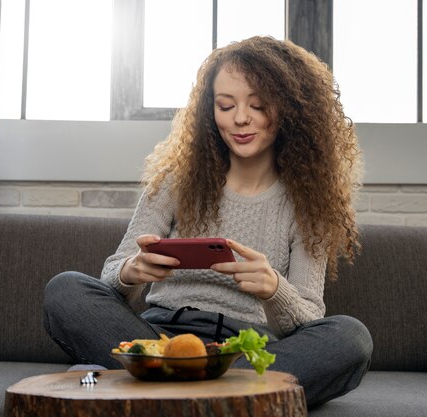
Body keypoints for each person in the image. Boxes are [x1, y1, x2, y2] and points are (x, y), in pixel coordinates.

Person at [43, 36, 372, 408]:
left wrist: (273, 288)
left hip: (241, 352)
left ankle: (163, 394)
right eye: (225, 105)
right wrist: (131, 272)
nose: (240, 118)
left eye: (258, 105)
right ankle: (223, 401)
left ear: (290, 110)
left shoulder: (306, 205)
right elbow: (110, 277)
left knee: (352, 338)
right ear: (209, 112)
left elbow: (309, 317)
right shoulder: (174, 182)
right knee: (65, 289)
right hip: (159, 338)